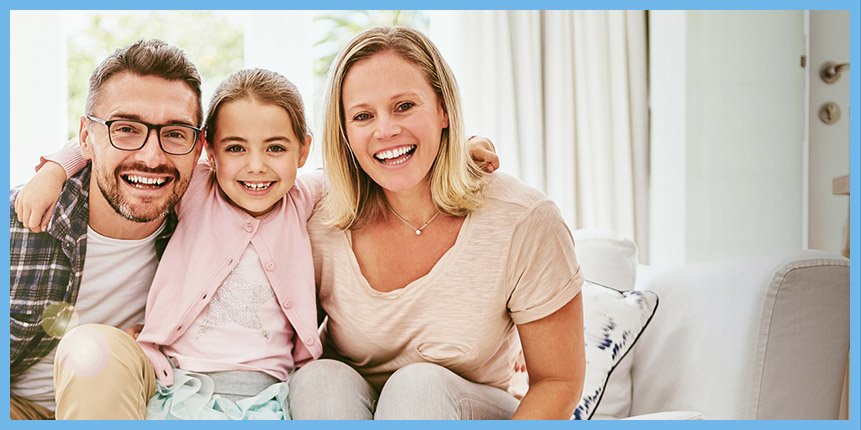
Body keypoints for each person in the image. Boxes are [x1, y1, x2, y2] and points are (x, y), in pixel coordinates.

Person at [13, 40, 499, 420]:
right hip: (180, 383)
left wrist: (460, 145)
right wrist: (57, 167)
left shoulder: (301, 196)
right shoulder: (198, 188)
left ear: (303, 151)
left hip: (270, 390)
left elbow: (378, 162)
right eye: (237, 148)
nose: (256, 167)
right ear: (212, 152)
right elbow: (115, 140)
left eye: (275, 148)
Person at [287, 26, 586, 420]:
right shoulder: (318, 215)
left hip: (465, 405)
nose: (385, 130)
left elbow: (559, 381)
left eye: (405, 106)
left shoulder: (523, 220)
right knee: (317, 378)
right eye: (363, 115)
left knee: (418, 387)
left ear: (443, 109)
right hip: (350, 404)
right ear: (344, 132)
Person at [9, 39, 204, 419]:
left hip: (136, 404)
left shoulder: (211, 216)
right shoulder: (22, 221)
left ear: (199, 148)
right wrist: (55, 167)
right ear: (85, 139)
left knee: (92, 347)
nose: (152, 157)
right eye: (126, 129)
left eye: (175, 133)